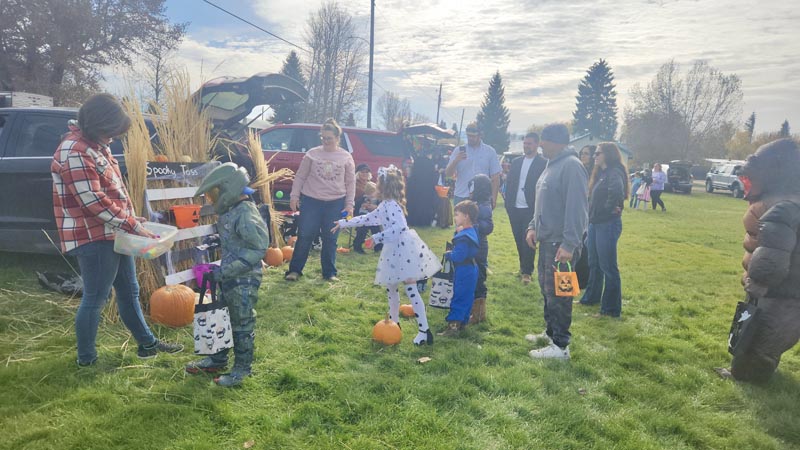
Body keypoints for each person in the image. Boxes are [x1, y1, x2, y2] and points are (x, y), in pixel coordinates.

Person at [51, 93, 183, 367]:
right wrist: (132, 224)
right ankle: (86, 359)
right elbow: (94, 202)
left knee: (129, 290)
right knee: (96, 298)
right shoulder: (75, 150)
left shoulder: (97, 145)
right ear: (97, 124)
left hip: (115, 233)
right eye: (110, 131)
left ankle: (147, 344)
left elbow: (113, 192)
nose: (114, 137)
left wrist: (134, 219)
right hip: (93, 236)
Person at [333, 165, 440, 345]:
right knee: (391, 287)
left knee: (410, 288)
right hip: (394, 249)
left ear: (384, 186)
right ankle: (395, 323)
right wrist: (344, 223)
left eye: (378, 182)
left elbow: (399, 228)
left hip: (403, 249)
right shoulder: (385, 205)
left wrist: (376, 237)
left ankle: (424, 331)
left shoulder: (391, 206)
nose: (375, 184)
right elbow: (367, 218)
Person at [722, 139, 800, 383]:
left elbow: (772, 255)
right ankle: (750, 372)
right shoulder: (789, 203)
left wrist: (757, 282)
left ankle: (748, 378)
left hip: (779, 292)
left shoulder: (783, 208)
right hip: (788, 290)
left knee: (760, 335)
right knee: (766, 335)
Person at [186, 163, 270, 386]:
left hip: (244, 278)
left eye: (214, 194)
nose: (213, 200)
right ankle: (217, 358)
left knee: (241, 321)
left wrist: (227, 271)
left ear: (228, 189)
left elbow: (258, 247)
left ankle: (242, 370)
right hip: (227, 275)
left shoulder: (246, 213)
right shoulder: (232, 211)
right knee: (220, 316)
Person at [524, 123, 588, 360]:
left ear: (558, 142)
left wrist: (570, 244)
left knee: (560, 296)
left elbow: (577, 210)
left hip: (561, 245)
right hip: (547, 241)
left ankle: (561, 346)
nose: (540, 144)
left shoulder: (572, 167)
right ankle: (551, 334)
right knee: (547, 291)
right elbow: (542, 203)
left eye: (544, 140)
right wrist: (532, 227)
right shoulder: (551, 166)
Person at [285, 119, 355, 282]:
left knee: (330, 238)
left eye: (329, 138)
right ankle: (294, 271)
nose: (325, 141)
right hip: (311, 201)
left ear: (338, 138)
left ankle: (329, 273)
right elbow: (300, 176)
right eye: (323, 137)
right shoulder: (312, 154)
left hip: (336, 202)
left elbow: (350, 183)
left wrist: (349, 205)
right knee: (304, 235)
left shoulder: (346, 157)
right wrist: (294, 196)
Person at [577, 143, 629, 318]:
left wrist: (606, 211)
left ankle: (610, 309)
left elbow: (617, 194)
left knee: (608, 267)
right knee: (594, 263)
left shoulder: (614, 172)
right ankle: (591, 298)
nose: (594, 156)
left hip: (607, 224)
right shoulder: (601, 173)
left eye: (597, 153)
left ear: (608, 154)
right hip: (595, 224)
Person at [505, 132, 547, 285]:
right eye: (525, 143)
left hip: (531, 207)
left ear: (537, 144)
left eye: (529, 143)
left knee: (528, 240)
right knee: (518, 238)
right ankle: (523, 267)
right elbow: (509, 183)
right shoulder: (516, 162)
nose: (526, 146)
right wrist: (508, 203)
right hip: (514, 207)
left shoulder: (543, 163)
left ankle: (527, 272)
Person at [438, 200, 480, 336]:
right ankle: (463, 323)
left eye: (457, 215)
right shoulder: (472, 231)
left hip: (464, 270)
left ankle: (453, 327)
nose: (454, 217)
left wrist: (449, 254)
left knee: (459, 296)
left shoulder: (463, 237)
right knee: (468, 296)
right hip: (472, 269)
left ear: (466, 216)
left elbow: (459, 256)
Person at [445, 122, 502, 207]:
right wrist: (456, 161)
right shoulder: (458, 150)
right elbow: (448, 174)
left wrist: (493, 199)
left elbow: (496, 178)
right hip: (461, 196)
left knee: (481, 220)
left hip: (482, 198)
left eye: (473, 136)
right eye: (468, 136)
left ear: (480, 135)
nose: (470, 138)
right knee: (460, 220)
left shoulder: (490, 152)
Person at [469, 174, 494, 324]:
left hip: (479, 245)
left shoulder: (483, 206)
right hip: (473, 243)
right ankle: (472, 309)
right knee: (473, 275)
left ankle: (479, 313)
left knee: (479, 277)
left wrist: (473, 224)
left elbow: (488, 227)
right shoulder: (477, 203)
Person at [406, 146, 439, 226]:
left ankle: (411, 220)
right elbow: (434, 178)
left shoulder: (417, 162)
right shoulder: (430, 163)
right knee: (425, 204)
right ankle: (425, 221)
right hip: (427, 188)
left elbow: (411, 175)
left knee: (414, 203)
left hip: (415, 186)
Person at [353, 165, 380, 253]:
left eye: (366, 172)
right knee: (364, 224)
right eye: (362, 171)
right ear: (357, 173)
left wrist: (375, 207)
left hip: (372, 213)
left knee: (375, 225)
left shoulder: (372, 185)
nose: (365, 173)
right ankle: (357, 245)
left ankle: (378, 245)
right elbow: (355, 202)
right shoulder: (353, 184)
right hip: (356, 212)